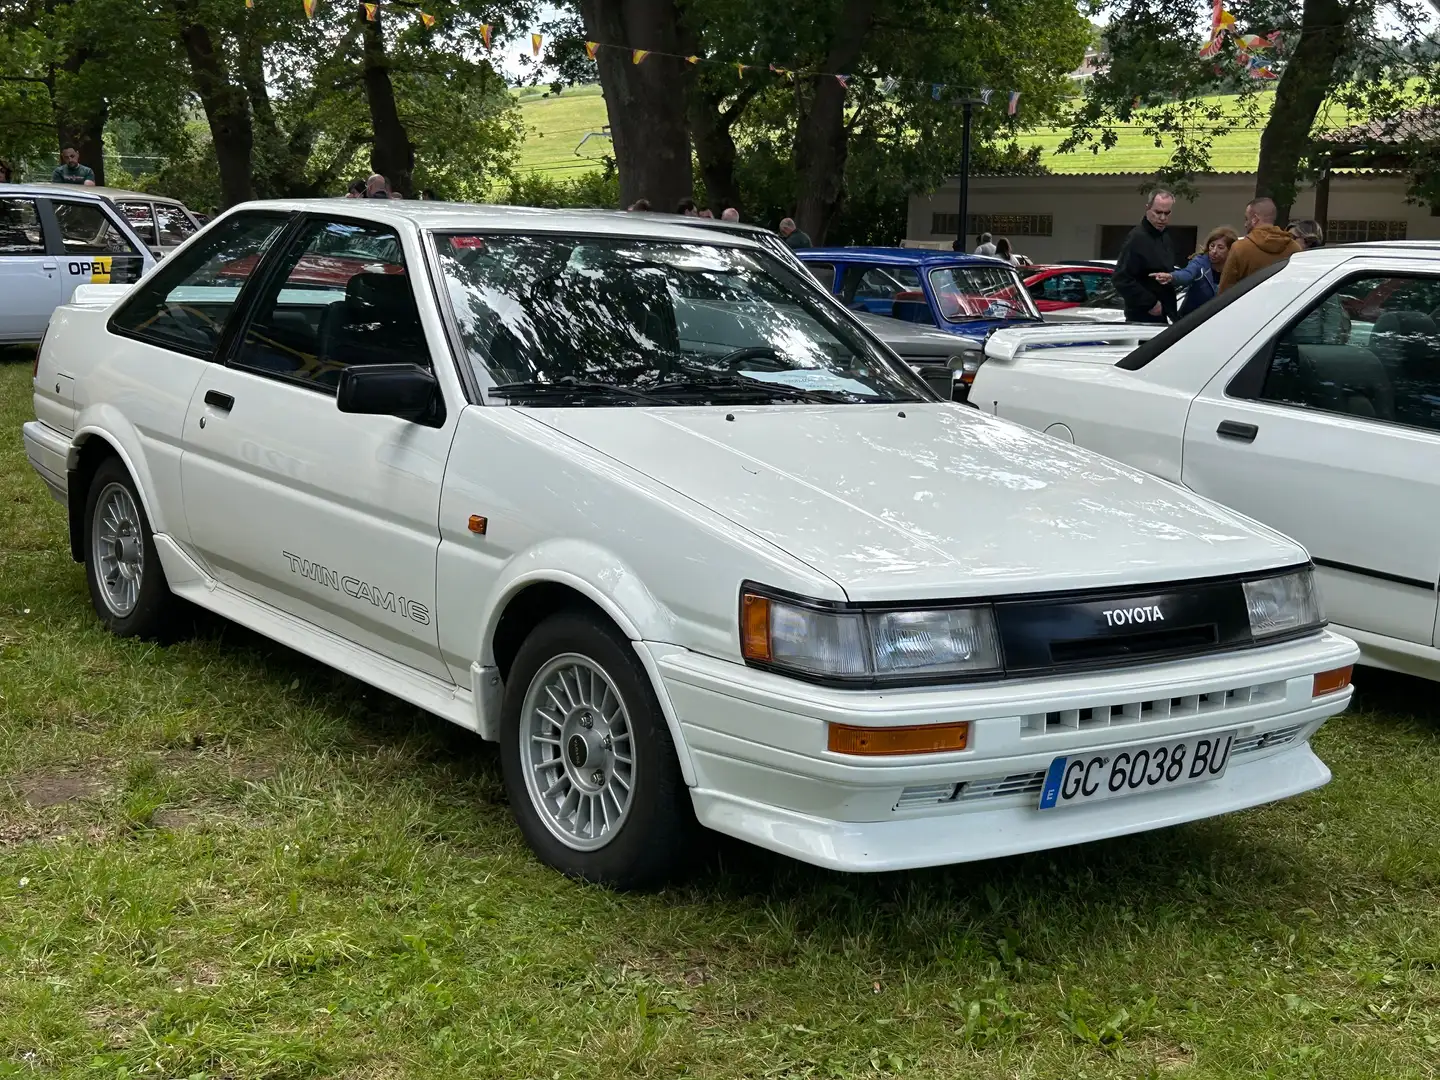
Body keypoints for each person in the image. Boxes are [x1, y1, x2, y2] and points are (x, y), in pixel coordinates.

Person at [1112, 189, 1180, 324]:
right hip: (1142, 317)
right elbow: (1121, 278)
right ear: (1147, 209)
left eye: (1167, 213)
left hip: (1165, 314)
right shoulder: (1137, 238)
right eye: (1158, 212)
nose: (1162, 218)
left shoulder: (1165, 237)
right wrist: (1150, 303)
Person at [1218, 196, 1302, 293]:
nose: (1245, 224)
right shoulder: (1294, 248)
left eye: (1246, 219)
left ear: (1255, 219)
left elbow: (1225, 291)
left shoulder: (1240, 248)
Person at [1153, 225, 1237, 317]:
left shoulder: (1235, 270)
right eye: (1212, 246)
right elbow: (1187, 274)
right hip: (1192, 318)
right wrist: (1172, 277)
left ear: (1230, 251)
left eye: (1220, 248)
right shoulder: (1200, 262)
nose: (1214, 251)